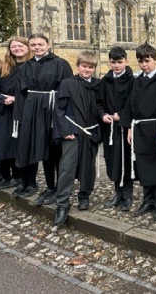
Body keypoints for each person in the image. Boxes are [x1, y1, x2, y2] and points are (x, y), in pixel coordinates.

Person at [14, 33, 73, 200]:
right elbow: (20, 92)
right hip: (32, 111)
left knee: (55, 151)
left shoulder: (60, 63)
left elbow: (68, 90)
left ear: (48, 45)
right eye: (33, 45)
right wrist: (20, 117)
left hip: (53, 110)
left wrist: (64, 117)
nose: (37, 47)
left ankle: (59, 188)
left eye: (40, 44)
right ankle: (49, 186)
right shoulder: (26, 66)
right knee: (42, 149)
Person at [121, 43, 156, 221]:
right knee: (142, 165)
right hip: (139, 129)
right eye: (141, 61)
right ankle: (147, 200)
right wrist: (129, 128)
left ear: (155, 60)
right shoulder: (137, 81)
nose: (144, 65)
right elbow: (130, 105)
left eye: (147, 61)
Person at [53, 51, 102, 226]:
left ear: (94, 68)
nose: (87, 70)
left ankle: (84, 195)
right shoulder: (67, 83)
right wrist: (65, 130)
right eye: (84, 66)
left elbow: (100, 106)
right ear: (78, 66)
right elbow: (60, 109)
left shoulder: (97, 85)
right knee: (67, 167)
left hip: (91, 132)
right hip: (73, 132)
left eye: (90, 67)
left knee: (88, 166)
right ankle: (62, 203)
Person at [0, 37, 32, 192]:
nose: (17, 49)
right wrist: (2, 99)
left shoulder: (32, 66)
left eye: (20, 46)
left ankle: (20, 177)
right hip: (4, 111)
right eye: (14, 46)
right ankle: (6, 176)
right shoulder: (2, 69)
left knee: (19, 145)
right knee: (3, 143)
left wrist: (17, 99)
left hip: (23, 111)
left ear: (27, 47)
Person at [97, 47, 135, 211]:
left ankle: (127, 195)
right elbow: (98, 102)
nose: (117, 66)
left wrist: (123, 115)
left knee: (125, 160)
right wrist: (102, 114)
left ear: (126, 61)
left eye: (120, 62)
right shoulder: (104, 81)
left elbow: (134, 101)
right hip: (110, 128)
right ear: (109, 62)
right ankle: (118, 193)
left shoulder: (132, 81)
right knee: (112, 159)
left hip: (125, 127)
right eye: (113, 62)